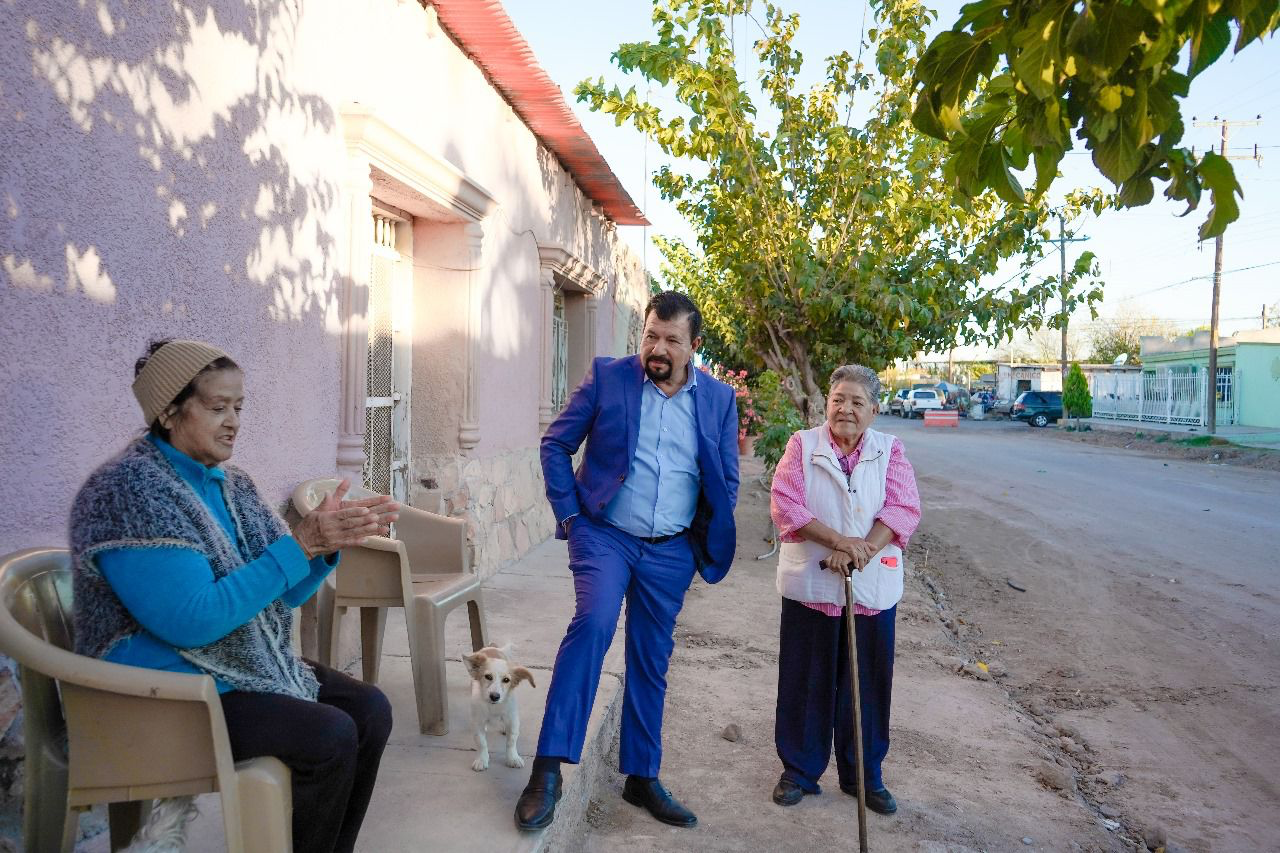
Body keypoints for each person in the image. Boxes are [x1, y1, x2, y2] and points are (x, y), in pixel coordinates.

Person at [70, 339, 399, 853]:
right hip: (154, 695)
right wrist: (301, 544)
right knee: (329, 735)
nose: (233, 422)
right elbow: (193, 620)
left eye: (239, 407)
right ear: (169, 410)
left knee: (371, 709)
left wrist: (324, 546)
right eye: (217, 407)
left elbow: (280, 594)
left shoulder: (231, 485)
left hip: (225, 669)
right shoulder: (129, 491)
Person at [515, 291, 739, 831]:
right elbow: (555, 444)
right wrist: (569, 515)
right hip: (605, 534)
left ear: (694, 346)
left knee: (651, 656)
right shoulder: (608, 377)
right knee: (592, 625)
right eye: (650, 335)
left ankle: (641, 775)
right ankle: (547, 771)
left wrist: (696, 543)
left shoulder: (717, 400)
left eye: (671, 340)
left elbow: (726, 478)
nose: (657, 348)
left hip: (671, 550)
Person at [768, 364, 920, 816]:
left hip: (870, 588)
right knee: (804, 681)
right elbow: (786, 502)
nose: (846, 410)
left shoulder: (890, 450)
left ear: (874, 410)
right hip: (812, 583)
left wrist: (861, 551)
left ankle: (864, 776)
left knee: (867, 684)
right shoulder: (802, 445)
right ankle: (798, 771)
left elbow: (903, 508)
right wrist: (838, 543)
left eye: (857, 402)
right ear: (826, 404)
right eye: (838, 400)